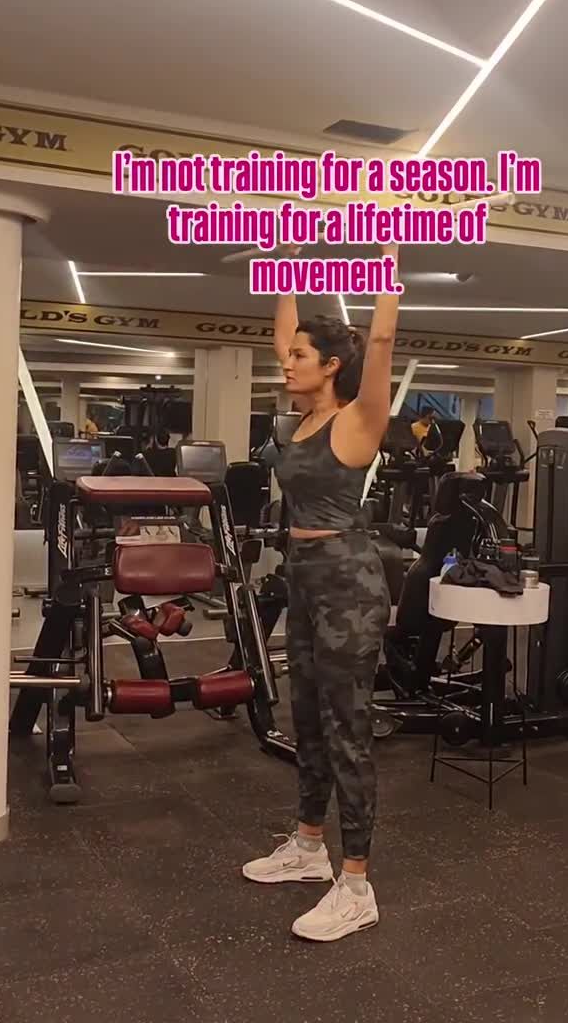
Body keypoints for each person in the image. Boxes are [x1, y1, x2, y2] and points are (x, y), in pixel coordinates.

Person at [242, 243, 401, 943]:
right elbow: (284, 333)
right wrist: (284, 263)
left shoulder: (358, 421)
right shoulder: (302, 417)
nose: (287, 362)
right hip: (305, 577)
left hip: (348, 582)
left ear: (332, 366)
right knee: (304, 716)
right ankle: (309, 847)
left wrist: (390, 254)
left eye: (301, 357)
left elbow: (382, 341)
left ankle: (357, 884)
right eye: (290, 355)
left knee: (347, 729)